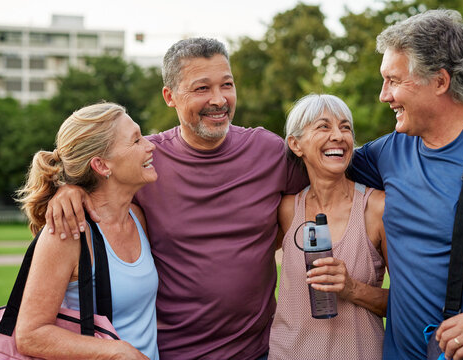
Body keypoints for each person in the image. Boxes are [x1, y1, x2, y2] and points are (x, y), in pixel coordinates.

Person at [43, 38, 308, 359]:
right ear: (170, 96)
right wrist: (69, 188)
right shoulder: (145, 161)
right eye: (201, 89)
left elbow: (326, 184)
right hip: (171, 352)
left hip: (258, 350)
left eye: (227, 84)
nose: (219, 99)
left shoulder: (268, 150)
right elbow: (100, 176)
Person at [348, 9, 463, 360]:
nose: (384, 95)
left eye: (394, 80)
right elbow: (312, 160)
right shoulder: (386, 153)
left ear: (440, 81)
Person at [14, 102, 159, 360]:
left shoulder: (137, 218)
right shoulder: (67, 232)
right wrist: (117, 352)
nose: (150, 146)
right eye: (136, 141)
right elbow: (30, 335)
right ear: (102, 165)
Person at [269, 94, 388, 360]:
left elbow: (409, 305)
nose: (339, 136)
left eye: (345, 128)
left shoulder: (377, 208)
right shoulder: (286, 210)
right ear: (295, 144)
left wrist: (351, 288)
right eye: (324, 127)